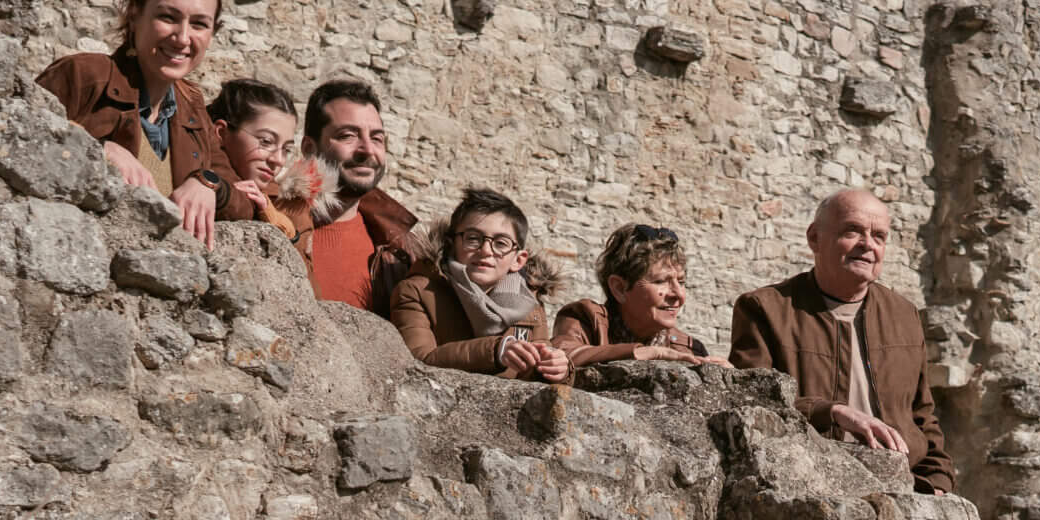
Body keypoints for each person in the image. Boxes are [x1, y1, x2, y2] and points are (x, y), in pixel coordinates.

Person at [728, 189, 952, 494]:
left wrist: (937, 482)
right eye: (852, 231)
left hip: (903, 490)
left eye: (879, 236)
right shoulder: (764, 309)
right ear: (814, 238)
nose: (867, 245)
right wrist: (831, 412)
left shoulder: (904, 315)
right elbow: (751, 403)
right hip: (808, 487)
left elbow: (922, 416)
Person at [35, 0, 257, 247]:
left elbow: (244, 201)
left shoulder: (193, 107)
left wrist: (208, 183)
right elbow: (23, 138)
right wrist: (97, 149)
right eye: (168, 17)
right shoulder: (82, 75)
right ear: (135, 15)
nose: (182, 37)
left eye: (199, 24)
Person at [389, 189, 570, 381]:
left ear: (518, 260)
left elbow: (534, 375)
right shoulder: (417, 292)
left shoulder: (530, 306)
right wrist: (495, 351)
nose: (485, 250)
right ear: (451, 245)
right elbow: (417, 360)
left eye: (501, 243)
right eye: (473, 238)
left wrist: (559, 368)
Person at [292, 77, 425, 316]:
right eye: (347, 136)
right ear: (310, 149)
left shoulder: (401, 253)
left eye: (376, 138)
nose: (367, 150)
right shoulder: (274, 225)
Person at [552, 223, 710, 367]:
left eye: (681, 282)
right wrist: (642, 353)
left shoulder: (690, 349)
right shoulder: (585, 320)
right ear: (619, 288)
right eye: (661, 281)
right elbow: (558, 356)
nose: (679, 295)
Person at [206, 78, 306, 245]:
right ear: (221, 132)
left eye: (286, 149)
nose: (278, 160)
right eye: (266, 141)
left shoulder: (277, 203)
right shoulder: (195, 173)